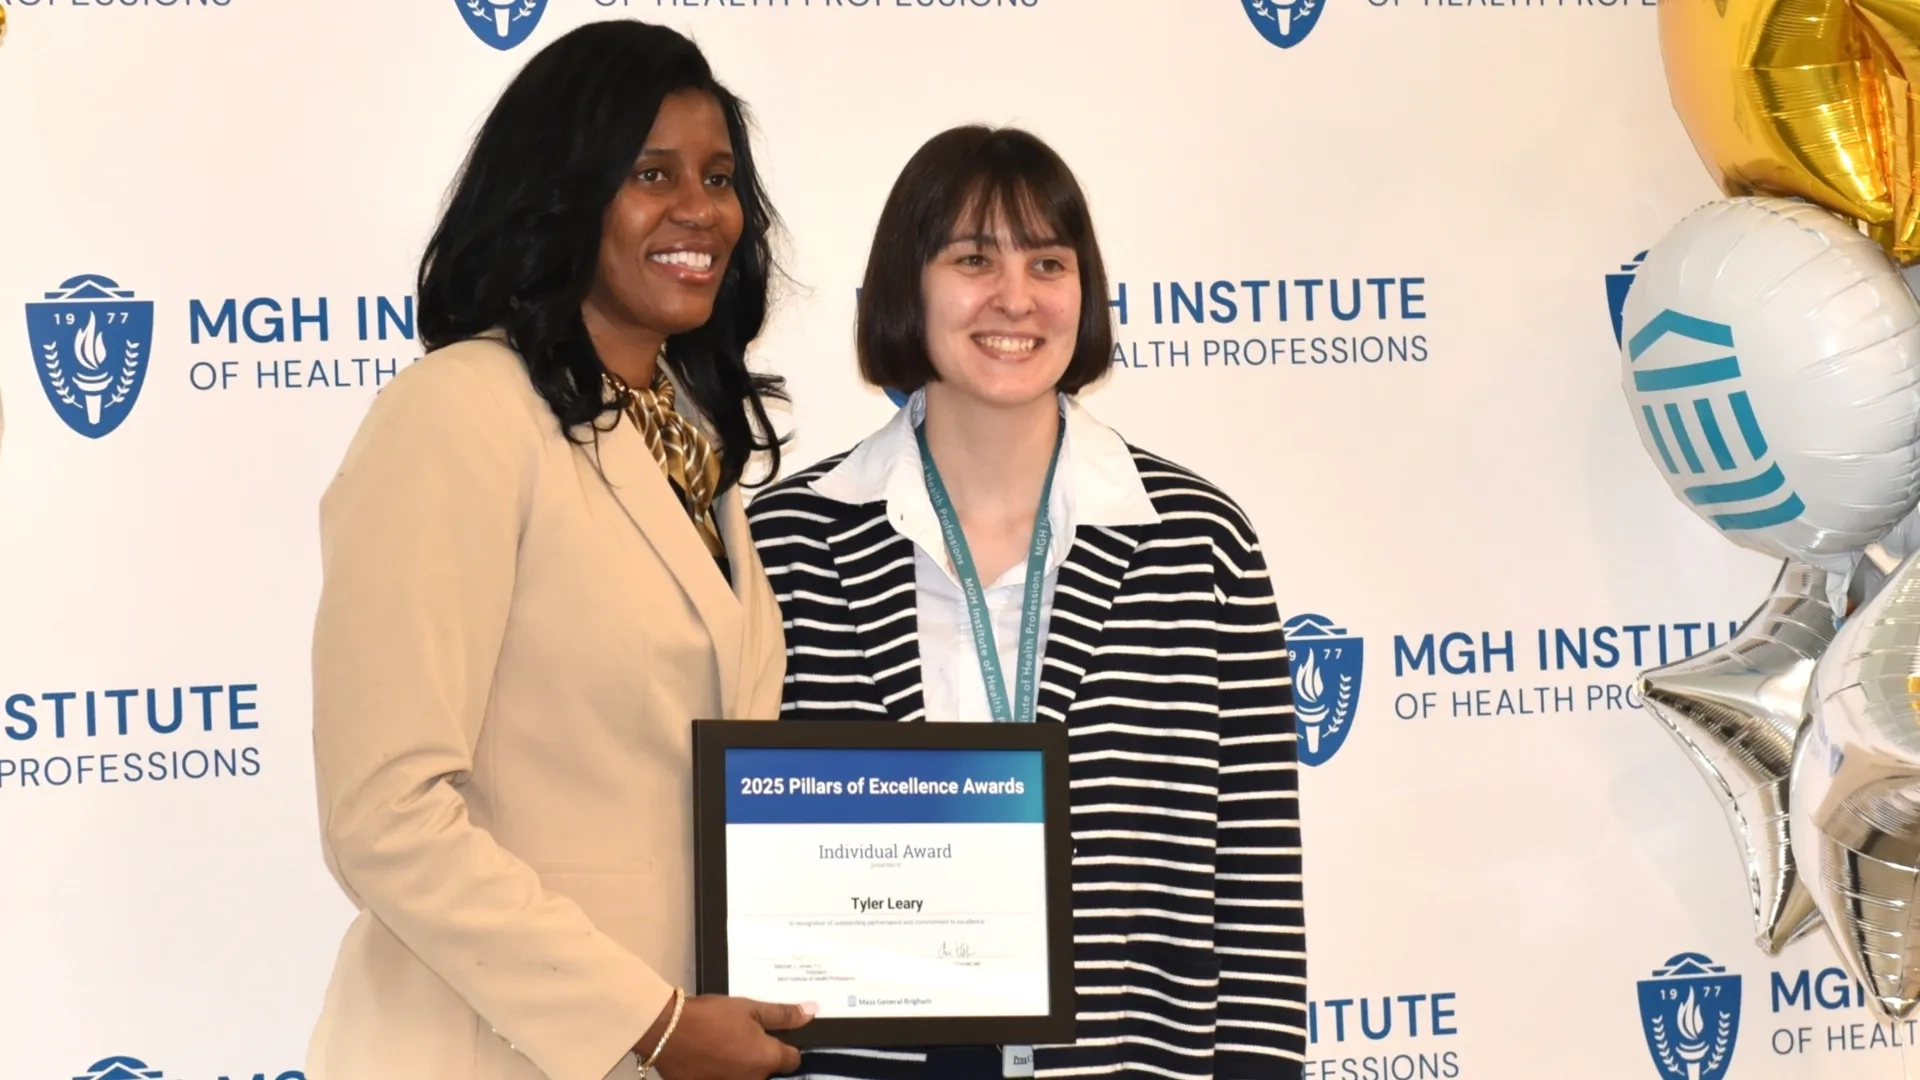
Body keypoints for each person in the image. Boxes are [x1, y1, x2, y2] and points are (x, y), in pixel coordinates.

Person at [306, 21, 814, 1080]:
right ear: (562, 189)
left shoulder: (686, 434)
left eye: (720, 178)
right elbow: (385, 815)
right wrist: (653, 1021)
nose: (699, 210)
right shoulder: (458, 413)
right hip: (477, 1050)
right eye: (651, 173)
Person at [747, 126, 1306, 1079]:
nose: (1015, 297)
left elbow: (1253, 892)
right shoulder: (789, 543)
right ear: (905, 286)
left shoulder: (1197, 541)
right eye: (972, 258)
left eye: (1048, 261)